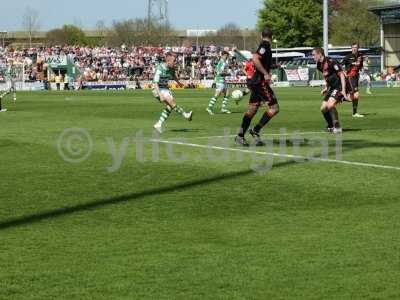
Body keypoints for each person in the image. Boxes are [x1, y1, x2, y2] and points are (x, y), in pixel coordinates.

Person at [235, 27, 280, 147]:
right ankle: (255, 130)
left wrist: (274, 66)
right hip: (260, 82)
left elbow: (262, 61)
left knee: (252, 110)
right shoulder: (265, 45)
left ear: (261, 35)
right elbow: (255, 59)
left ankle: (240, 136)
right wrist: (265, 73)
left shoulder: (265, 46)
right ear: (272, 37)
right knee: (274, 108)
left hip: (255, 82)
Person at [152, 52, 193, 134]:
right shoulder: (160, 68)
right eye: (174, 61)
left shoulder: (171, 68)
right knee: (171, 102)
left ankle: (158, 124)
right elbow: (155, 83)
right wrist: (160, 95)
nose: (175, 62)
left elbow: (173, 76)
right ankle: (185, 115)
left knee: (170, 107)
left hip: (165, 88)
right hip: (157, 89)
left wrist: (178, 83)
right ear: (168, 61)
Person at [313, 47, 347, 134]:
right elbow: (326, 76)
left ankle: (337, 127)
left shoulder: (331, 61)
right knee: (323, 108)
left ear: (320, 54)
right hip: (331, 87)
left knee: (330, 105)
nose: (313, 57)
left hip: (339, 86)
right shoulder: (318, 65)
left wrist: (343, 90)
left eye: (314, 55)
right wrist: (326, 87)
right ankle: (331, 126)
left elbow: (342, 75)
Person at [343, 43, 364, 117]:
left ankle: (354, 112)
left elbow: (360, 66)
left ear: (358, 48)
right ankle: (354, 112)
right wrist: (344, 73)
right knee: (356, 95)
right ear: (351, 48)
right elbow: (340, 65)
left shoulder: (360, 56)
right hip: (350, 77)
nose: (354, 48)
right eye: (353, 47)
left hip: (356, 77)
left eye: (356, 47)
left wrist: (361, 75)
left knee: (354, 96)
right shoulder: (348, 57)